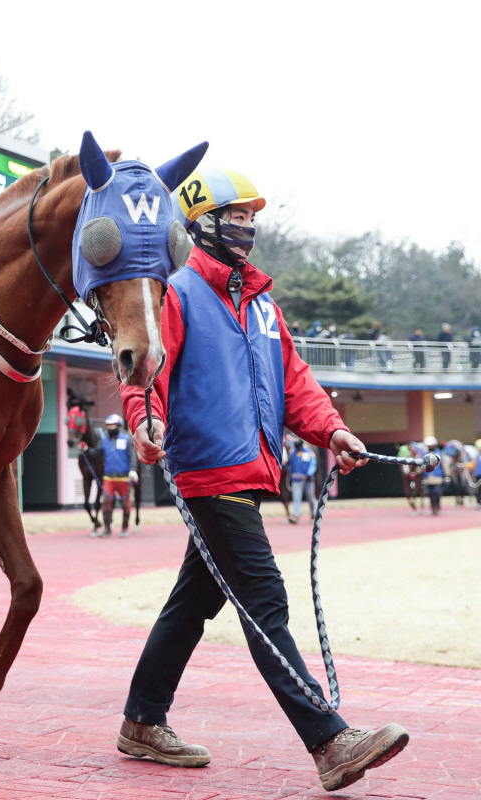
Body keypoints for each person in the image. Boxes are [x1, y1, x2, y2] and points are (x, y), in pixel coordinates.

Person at [116, 165, 406, 792]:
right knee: (265, 604)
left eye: (251, 219)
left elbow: (296, 383)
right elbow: (146, 376)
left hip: (250, 475)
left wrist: (332, 432)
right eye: (235, 218)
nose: (246, 229)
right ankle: (329, 740)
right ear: (201, 224)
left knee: (193, 602)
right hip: (209, 475)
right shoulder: (178, 293)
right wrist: (144, 421)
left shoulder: (264, 305)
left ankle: (141, 720)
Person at [95, 414, 136, 538]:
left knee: (125, 504)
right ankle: (107, 528)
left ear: (118, 426)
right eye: (108, 425)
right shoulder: (104, 440)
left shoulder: (127, 438)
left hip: (124, 477)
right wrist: (86, 450)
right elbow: (97, 452)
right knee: (106, 502)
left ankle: (124, 528)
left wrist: (133, 470)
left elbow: (132, 455)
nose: (109, 427)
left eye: (112, 425)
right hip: (108, 478)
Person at [288, 439, 319, 523]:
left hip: (308, 479)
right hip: (296, 479)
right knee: (296, 498)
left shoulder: (309, 453)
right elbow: (289, 464)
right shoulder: (292, 453)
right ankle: (296, 515)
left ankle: (314, 514)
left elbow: (313, 463)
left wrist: (310, 473)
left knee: (311, 498)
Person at [422, 435, 445, 515]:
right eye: (429, 446)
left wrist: (447, 475)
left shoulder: (440, 454)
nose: (430, 447)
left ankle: (437, 506)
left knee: (437, 493)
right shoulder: (423, 455)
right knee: (430, 494)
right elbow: (420, 466)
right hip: (428, 478)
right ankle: (433, 508)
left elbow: (444, 465)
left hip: (438, 477)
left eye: (431, 445)